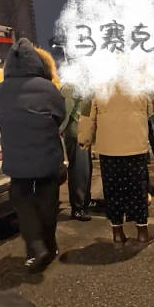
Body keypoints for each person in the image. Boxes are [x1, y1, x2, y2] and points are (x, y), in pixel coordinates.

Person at [0, 38, 65, 272]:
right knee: (48, 202)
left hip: (16, 158)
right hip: (47, 153)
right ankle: (50, 246)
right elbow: (60, 115)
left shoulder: (1, 90)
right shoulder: (48, 88)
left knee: (22, 201)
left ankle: (35, 246)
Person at [79, 86, 154, 245]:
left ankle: (118, 233)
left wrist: (84, 140)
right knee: (138, 190)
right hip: (135, 146)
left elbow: (87, 115)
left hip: (109, 149)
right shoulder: (138, 83)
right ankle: (142, 233)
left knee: (113, 191)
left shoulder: (97, 86)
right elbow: (150, 109)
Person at [60, 84, 93, 221]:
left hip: (84, 133)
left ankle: (85, 201)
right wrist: (58, 131)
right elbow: (64, 112)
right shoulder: (70, 86)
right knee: (79, 171)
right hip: (76, 134)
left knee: (86, 170)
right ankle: (78, 207)